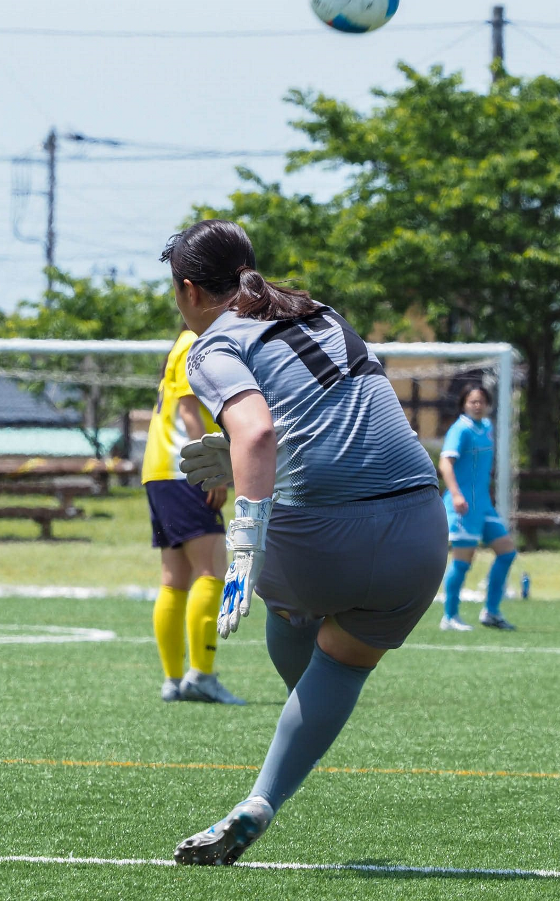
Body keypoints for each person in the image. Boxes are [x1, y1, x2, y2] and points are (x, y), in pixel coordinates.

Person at [163, 219, 446, 865]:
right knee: (342, 663)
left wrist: (245, 540)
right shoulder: (318, 311)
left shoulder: (207, 345)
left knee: (296, 621)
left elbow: (259, 433)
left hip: (317, 543)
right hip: (421, 536)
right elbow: (336, 421)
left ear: (187, 290)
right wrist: (237, 454)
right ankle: (262, 797)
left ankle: (305, 694)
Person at [143, 327, 244, 704]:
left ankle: (172, 680)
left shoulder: (181, 344)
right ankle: (201, 674)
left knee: (175, 578)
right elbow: (188, 408)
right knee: (212, 570)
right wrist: (212, 470)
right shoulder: (193, 344)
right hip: (182, 469)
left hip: (159, 471)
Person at [438, 384, 518, 632]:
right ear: (464, 404)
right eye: (472, 401)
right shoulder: (460, 429)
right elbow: (445, 464)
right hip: (463, 504)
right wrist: (456, 494)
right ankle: (449, 616)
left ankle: (491, 612)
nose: (477, 405)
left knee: (507, 552)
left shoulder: (486, 428)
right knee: (463, 560)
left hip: (483, 504)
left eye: (481, 401)